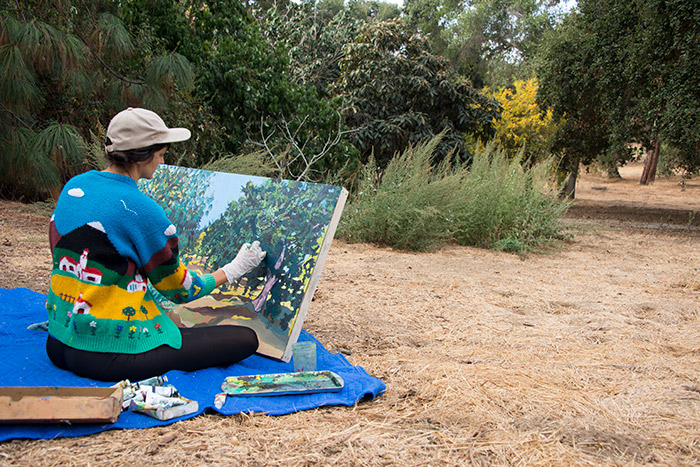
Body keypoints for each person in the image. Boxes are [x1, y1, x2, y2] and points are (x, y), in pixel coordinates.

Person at [46, 107, 265, 382]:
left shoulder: (74, 186)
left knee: (171, 321)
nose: (162, 162)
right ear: (144, 155)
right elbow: (182, 290)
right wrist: (234, 269)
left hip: (59, 341)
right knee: (246, 339)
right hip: (109, 355)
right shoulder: (142, 210)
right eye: (161, 154)